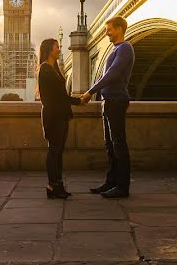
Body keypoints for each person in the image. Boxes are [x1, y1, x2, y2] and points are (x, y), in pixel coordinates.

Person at [83, 16, 135, 199]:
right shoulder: (115, 50)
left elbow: (113, 74)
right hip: (108, 101)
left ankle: (123, 186)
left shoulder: (125, 48)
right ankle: (111, 182)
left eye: (109, 29)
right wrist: (95, 91)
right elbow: (104, 77)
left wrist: (90, 92)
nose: (106, 33)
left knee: (118, 144)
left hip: (116, 101)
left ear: (119, 29)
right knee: (110, 145)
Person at [37, 38, 82, 199]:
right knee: (54, 151)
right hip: (54, 117)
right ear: (50, 49)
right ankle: (52, 185)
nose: (59, 49)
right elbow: (60, 96)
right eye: (57, 47)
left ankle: (57, 185)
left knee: (57, 152)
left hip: (59, 116)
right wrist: (78, 101)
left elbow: (60, 96)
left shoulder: (53, 69)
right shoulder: (46, 70)